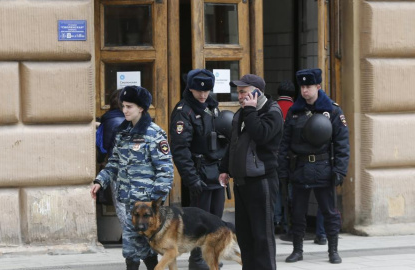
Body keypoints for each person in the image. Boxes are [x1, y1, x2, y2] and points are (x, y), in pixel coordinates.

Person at [90, 85, 174, 270]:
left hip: (147, 205)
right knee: (134, 248)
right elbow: (114, 162)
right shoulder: (123, 133)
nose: (124, 110)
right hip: (129, 202)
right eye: (124, 106)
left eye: (129, 107)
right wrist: (100, 181)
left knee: (143, 246)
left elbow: (166, 171)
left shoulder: (154, 134)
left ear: (141, 108)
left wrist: (155, 201)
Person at [278, 68, 350, 264]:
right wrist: (283, 171)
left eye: (308, 86)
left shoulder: (332, 110)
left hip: (324, 168)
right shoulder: (294, 111)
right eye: (302, 87)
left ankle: (333, 251)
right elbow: (284, 143)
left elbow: (342, 143)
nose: (304, 91)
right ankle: (297, 250)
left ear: (318, 86)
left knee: (329, 212)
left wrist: (340, 170)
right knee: (298, 213)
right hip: (300, 168)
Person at [219, 74, 284, 270]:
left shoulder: (272, 112)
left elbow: (261, 135)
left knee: (262, 235)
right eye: (238, 92)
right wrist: (225, 169)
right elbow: (234, 144)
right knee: (246, 236)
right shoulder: (242, 114)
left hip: (262, 181)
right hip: (242, 182)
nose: (239, 96)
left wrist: (250, 111)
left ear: (257, 93)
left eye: (243, 92)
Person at [169, 69, 229, 270]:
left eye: (206, 91)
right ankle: (197, 261)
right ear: (190, 89)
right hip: (198, 172)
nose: (202, 95)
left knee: (216, 219)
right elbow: (180, 149)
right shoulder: (183, 110)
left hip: (216, 172)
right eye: (198, 91)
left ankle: (212, 255)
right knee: (198, 221)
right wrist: (191, 178)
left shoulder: (212, 107)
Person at [95, 88, 126, 227]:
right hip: (133, 168)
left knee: (121, 205)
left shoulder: (109, 120)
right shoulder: (135, 120)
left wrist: (101, 161)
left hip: (116, 168)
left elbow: (104, 146)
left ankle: (130, 236)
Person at [274, 80, 296, 235]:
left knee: (276, 190)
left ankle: (277, 220)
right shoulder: (296, 109)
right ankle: (292, 221)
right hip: (292, 158)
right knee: (291, 190)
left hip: (273, 156)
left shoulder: (273, 108)